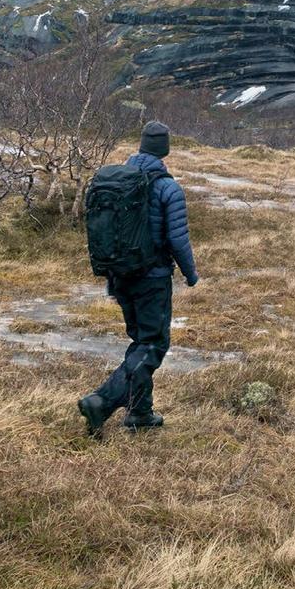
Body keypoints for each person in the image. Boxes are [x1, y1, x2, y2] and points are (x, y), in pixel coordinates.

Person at [78, 120, 199, 437]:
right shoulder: (167, 187)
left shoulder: (118, 180)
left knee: (140, 342)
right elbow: (178, 239)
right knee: (152, 345)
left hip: (120, 277)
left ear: (142, 146)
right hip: (152, 278)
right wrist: (190, 273)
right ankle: (101, 402)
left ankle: (140, 413)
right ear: (165, 150)